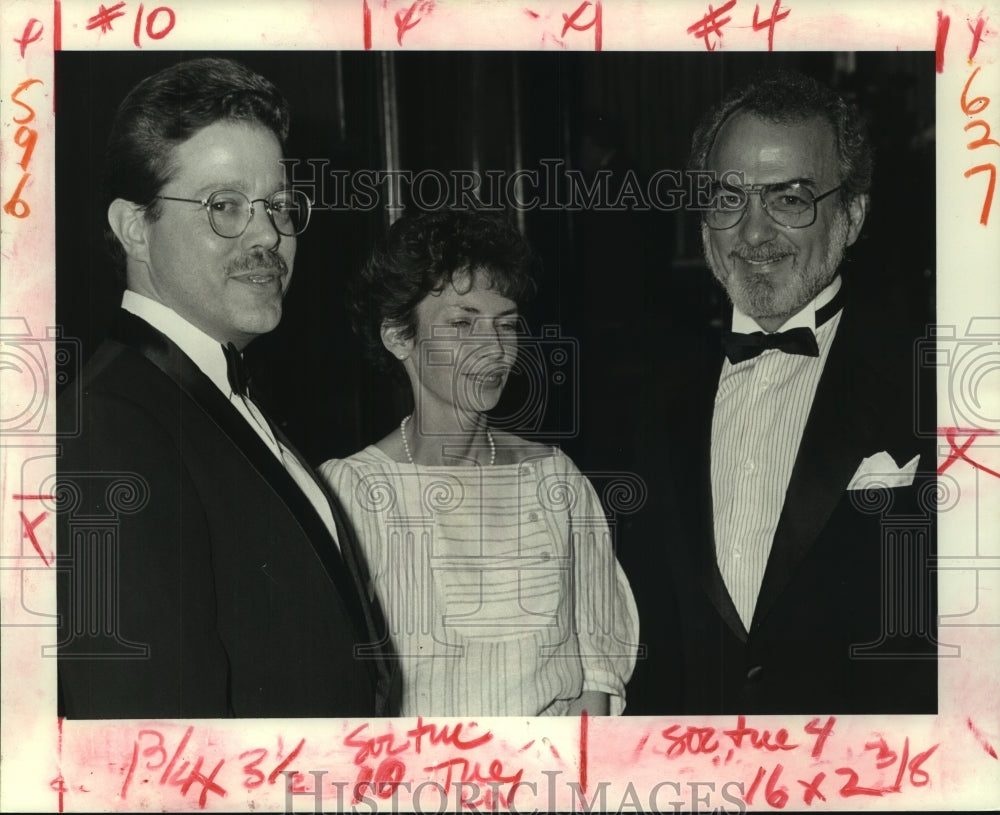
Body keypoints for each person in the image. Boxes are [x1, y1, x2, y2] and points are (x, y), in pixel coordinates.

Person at [55, 57, 397, 718]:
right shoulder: (112, 423)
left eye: (277, 205)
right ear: (134, 225)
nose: (268, 233)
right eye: (225, 206)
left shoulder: (207, 395)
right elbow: (150, 745)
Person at [625, 69, 937, 714]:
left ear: (851, 215)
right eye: (728, 198)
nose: (754, 233)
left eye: (790, 199)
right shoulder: (638, 398)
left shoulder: (938, 386)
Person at [320, 209, 639, 716]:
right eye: (463, 324)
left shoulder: (555, 480)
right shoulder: (352, 493)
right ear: (399, 337)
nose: (492, 349)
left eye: (505, 325)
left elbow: (594, 684)